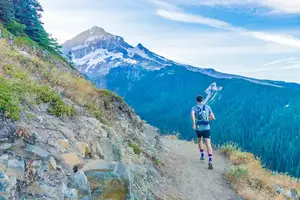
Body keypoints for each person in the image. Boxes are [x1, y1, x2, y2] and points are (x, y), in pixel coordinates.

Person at [191, 95, 216, 169]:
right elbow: (213, 117)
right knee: (208, 144)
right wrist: (207, 119)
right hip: (206, 128)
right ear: (203, 100)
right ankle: (210, 160)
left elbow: (192, 115)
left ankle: (202, 154)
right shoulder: (207, 107)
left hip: (198, 128)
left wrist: (194, 124)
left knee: (199, 140)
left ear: (196, 101)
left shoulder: (194, 108)